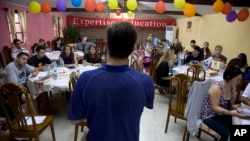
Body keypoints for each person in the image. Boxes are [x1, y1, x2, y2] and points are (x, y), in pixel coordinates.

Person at [68, 22, 154, 141]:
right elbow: (142, 101)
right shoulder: (145, 81)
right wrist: (139, 69)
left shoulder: (85, 79)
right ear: (132, 48)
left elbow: (74, 120)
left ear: (107, 46)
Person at [201, 66, 249, 141]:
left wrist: (236, 107)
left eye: (240, 80)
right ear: (229, 77)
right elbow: (215, 108)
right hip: (210, 116)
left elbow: (230, 105)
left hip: (222, 115)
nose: (239, 82)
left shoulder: (232, 87)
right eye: (237, 80)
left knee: (241, 130)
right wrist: (234, 113)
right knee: (227, 134)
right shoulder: (217, 88)